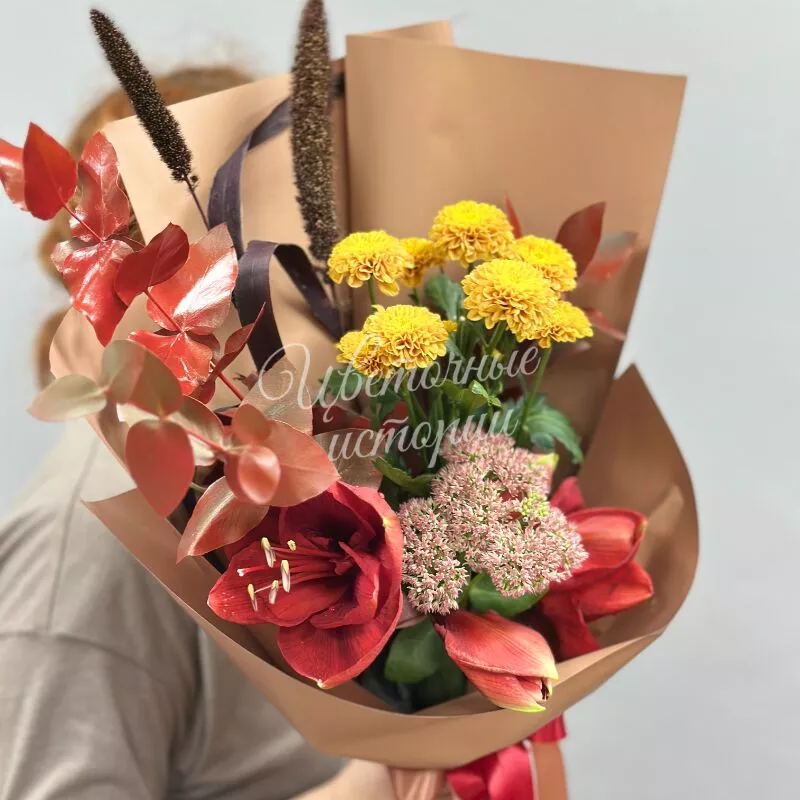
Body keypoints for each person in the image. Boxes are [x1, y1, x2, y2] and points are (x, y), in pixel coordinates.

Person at [0, 68, 567, 800]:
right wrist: (381, 783)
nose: (328, 275)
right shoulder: (83, 547)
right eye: (279, 230)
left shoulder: (337, 461)